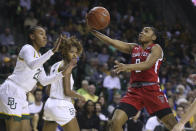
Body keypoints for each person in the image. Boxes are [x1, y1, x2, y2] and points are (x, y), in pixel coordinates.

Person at [89, 26, 177, 131]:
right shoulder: (134, 48)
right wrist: (94, 31)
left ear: (153, 37)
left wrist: (127, 67)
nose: (141, 32)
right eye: (142, 30)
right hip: (134, 92)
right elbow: (112, 42)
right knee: (115, 122)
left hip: (152, 90)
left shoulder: (156, 48)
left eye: (146, 31)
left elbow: (147, 64)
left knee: (173, 125)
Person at [0, 26, 69, 131]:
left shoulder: (39, 55)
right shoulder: (27, 48)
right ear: (32, 36)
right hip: (12, 90)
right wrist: (53, 51)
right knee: (13, 128)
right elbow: (32, 65)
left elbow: (44, 81)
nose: (45, 37)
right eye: (41, 34)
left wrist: (62, 74)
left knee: (27, 129)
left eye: (45, 35)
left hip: (22, 94)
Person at [43, 36, 85, 131]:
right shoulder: (66, 68)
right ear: (65, 52)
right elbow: (67, 92)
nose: (75, 55)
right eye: (71, 52)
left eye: (76, 52)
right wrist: (80, 96)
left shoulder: (54, 66)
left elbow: (48, 91)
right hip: (61, 105)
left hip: (49, 105)